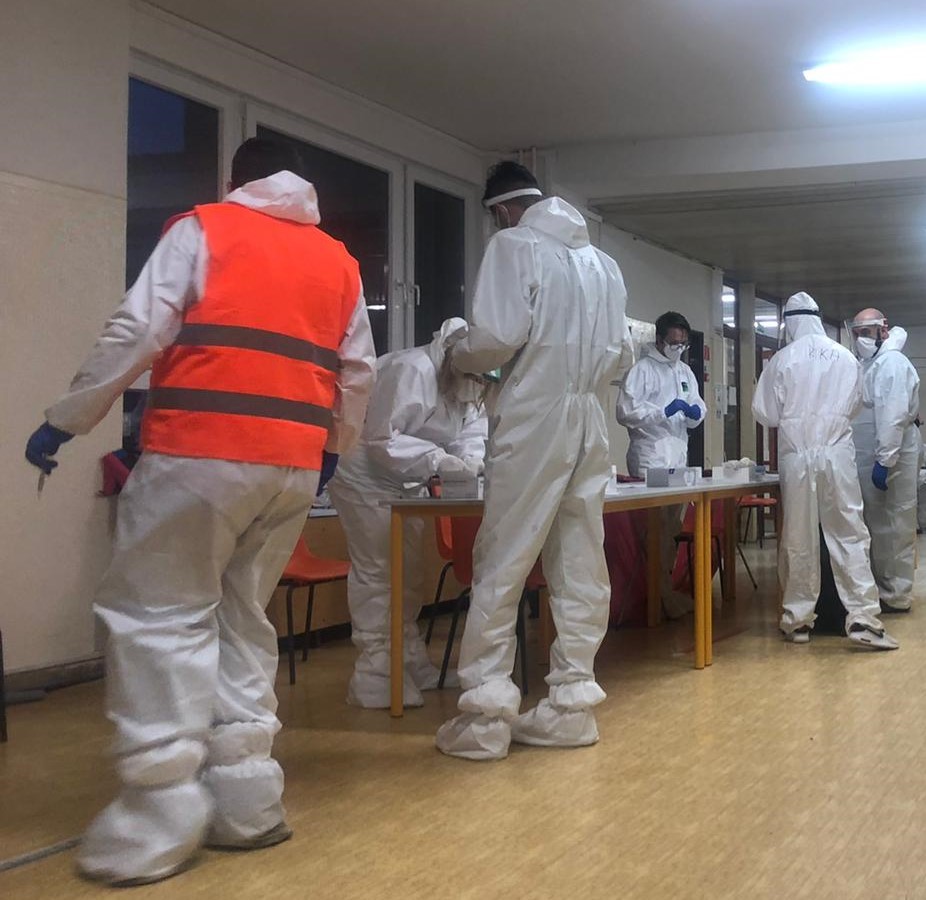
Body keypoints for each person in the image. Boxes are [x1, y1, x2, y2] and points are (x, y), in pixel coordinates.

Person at [22, 137, 375, 885]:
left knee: (158, 616)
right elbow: (357, 371)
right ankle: (246, 798)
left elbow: (136, 329)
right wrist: (334, 448)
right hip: (291, 469)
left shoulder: (206, 228)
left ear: (235, 181)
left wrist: (69, 416)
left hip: (200, 453)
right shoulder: (338, 263)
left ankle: (155, 815)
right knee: (241, 616)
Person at [435, 161, 628, 760]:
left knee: (504, 556)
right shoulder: (604, 265)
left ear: (501, 210)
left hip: (534, 415)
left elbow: (496, 338)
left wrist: (457, 351)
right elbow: (620, 355)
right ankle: (571, 706)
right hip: (589, 418)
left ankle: (486, 716)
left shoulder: (514, 245)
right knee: (580, 558)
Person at [327, 318, 487, 709]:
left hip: (405, 477)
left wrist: (468, 460)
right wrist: (438, 460)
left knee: (409, 571)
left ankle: (410, 663)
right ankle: (375, 676)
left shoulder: (470, 382)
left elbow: (471, 430)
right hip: (362, 472)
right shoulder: (414, 370)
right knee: (379, 571)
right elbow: (382, 438)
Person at [753, 292, 898, 650]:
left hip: (798, 456)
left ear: (790, 323)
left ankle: (797, 619)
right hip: (837, 455)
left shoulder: (782, 359)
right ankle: (864, 617)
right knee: (850, 534)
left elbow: (765, 413)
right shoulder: (846, 357)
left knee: (798, 538)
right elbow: (855, 406)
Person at [615, 310, 704, 618]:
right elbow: (625, 412)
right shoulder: (642, 370)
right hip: (650, 457)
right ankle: (656, 600)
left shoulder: (685, 371)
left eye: (683, 343)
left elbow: (697, 404)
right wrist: (662, 411)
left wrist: (695, 413)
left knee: (670, 531)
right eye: (673, 342)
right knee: (653, 532)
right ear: (659, 339)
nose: (678, 348)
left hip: (677, 458)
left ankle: (663, 595)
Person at [848, 308, 921, 613]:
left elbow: (893, 415)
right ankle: (883, 589)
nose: (861, 339)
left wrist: (885, 459)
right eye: (857, 333)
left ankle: (896, 594)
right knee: (878, 526)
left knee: (895, 525)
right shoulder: (869, 364)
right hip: (872, 454)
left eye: (867, 332)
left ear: (883, 329)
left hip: (892, 457)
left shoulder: (892, 363)